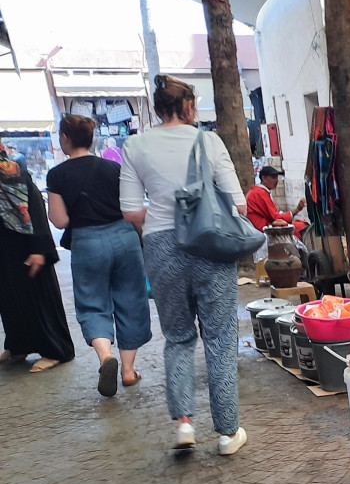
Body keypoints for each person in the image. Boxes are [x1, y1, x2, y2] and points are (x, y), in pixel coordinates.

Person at [119, 74, 248, 455]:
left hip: (161, 245)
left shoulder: (135, 145)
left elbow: (131, 212)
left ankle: (184, 424)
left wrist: (162, 219)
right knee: (220, 337)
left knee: (177, 337)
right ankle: (227, 433)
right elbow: (238, 204)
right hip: (210, 243)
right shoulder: (209, 141)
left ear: (158, 108)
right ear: (189, 106)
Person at [46, 114, 151, 396]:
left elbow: (59, 221)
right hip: (124, 237)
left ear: (65, 139)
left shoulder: (57, 175)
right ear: (92, 138)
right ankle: (128, 371)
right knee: (131, 300)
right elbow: (132, 208)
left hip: (87, 242)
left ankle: (106, 358)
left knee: (93, 303)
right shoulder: (113, 168)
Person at [0, 148, 75, 372]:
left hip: (26, 247)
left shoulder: (13, 173)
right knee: (9, 301)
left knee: (38, 300)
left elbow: (35, 211)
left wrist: (39, 249)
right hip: (4, 251)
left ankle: (55, 351)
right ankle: (18, 345)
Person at [245, 166, 305, 235]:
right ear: (264, 178)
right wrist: (297, 210)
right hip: (262, 229)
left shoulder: (257, 191)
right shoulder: (260, 193)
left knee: (299, 224)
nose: (276, 181)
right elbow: (275, 217)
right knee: (302, 227)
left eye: (277, 178)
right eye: (273, 177)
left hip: (261, 227)